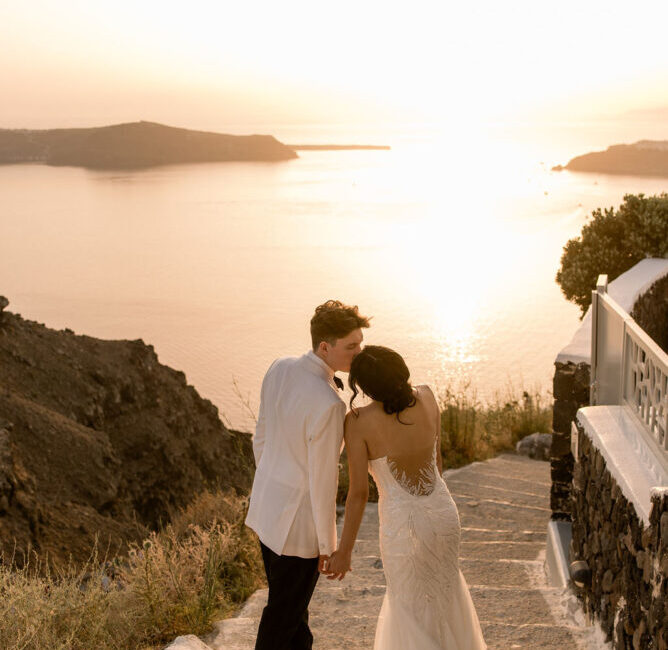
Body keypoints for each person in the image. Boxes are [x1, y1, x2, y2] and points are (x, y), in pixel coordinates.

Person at [326, 345, 487, 649]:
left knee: (409, 609)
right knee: (446, 598)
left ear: (364, 387)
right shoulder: (427, 395)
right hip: (443, 514)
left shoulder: (357, 422)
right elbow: (437, 464)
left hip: (404, 528)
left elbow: (359, 494)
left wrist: (344, 552)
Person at [245, 300, 370, 650]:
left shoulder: (279, 367)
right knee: (283, 617)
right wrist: (328, 546)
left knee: (295, 616)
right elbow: (322, 481)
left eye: (360, 344)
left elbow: (261, 436)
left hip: (267, 511)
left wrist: (272, 482)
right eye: (351, 346)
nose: (359, 353)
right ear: (325, 346)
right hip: (296, 530)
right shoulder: (329, 405)